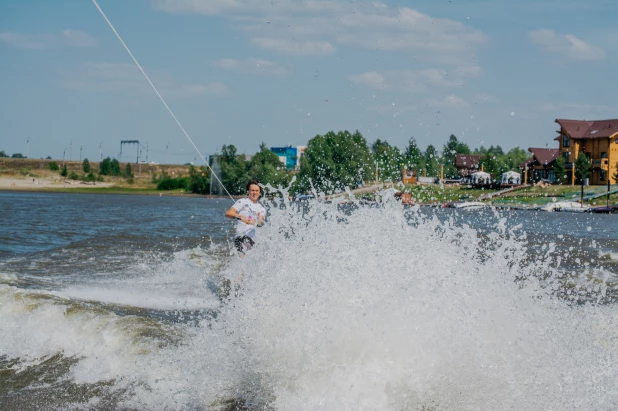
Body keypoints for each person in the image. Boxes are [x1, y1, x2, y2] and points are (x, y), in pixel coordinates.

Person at [225, 180, 265, 254]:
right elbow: (229, 213)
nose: (254, 193)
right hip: (240, 237)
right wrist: (239, 216)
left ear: (260, 192)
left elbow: (260, 222)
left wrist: (255, 221)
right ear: (248, 191)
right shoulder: (242, 202)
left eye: (256, 190)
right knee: (243, 254)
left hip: (252, 239)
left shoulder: (261, 209)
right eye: (252, 190)